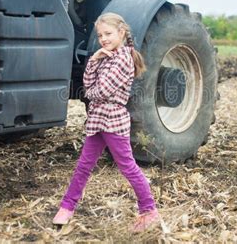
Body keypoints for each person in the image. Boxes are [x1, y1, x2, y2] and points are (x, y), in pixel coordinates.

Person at [52, 12, 160, 232]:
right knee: (84, 165)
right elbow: (88, 83)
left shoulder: (123, 58)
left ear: (121, 33)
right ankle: (67, 207)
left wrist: (91, 91)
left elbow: (99, 90)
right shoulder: (105, 57)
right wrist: (93, 60)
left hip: (113, 121)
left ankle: (149, 211)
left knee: (128, 167)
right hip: (97, 119)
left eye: (108, 33)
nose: (104, 39)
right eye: (100, 35)